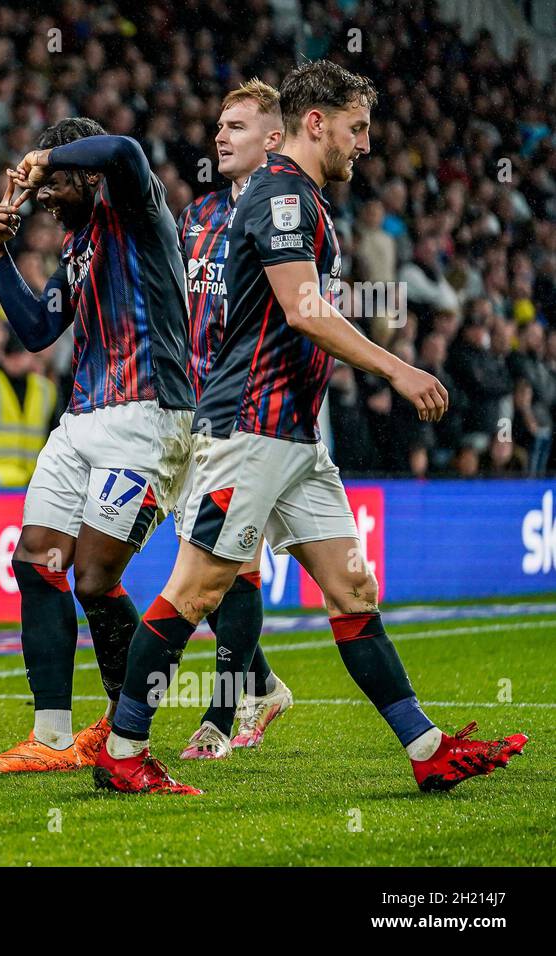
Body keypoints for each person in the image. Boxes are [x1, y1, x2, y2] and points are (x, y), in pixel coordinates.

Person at [96, 60, 526, 796]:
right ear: (318, 122)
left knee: (353, 590)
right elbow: (302, 310)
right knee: (196, 591)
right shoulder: (282, 197)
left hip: (292, 437)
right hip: (249, 428)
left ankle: (427, 751)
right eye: (357, 128)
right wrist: (397, 369)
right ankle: (123, 750)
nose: (365, 144)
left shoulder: (304, 201)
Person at [0, 117, 195, 773]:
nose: (41, 195)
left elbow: (124, 147)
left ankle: (128, 728)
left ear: (84, 174)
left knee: (96, 580)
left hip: (149, 415)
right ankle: (52, 739)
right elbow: (40, 331)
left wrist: (43, 154)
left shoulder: (134, 209)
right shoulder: (74, 249)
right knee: (35, 561)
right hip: (81, 419)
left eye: (51, 182)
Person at [170, 80, 292, 760]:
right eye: (220, 124)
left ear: (273, 139)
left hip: (250, 410)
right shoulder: (197, 217)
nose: (220, 136)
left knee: (227, 561)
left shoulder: (287, 217)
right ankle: (265, 684)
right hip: (191, 414)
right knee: (209, 571)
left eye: (238, 126)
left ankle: (219, 717)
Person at [0, 339, 57, 484]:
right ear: (2, 357)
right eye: (10, 356)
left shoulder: (46, 389)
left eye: (19, 355)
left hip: (35, 474)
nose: (15, 361)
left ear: (29, 356)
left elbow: (55, 431)